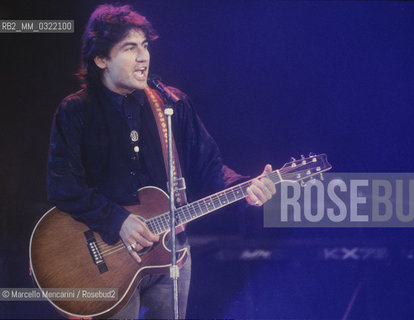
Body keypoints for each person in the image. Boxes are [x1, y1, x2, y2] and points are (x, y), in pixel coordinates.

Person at [46, 4, 276, 319]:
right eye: (130, 48)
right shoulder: (76, 110)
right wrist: (119, 221)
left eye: (145, 46)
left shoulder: (172, 104)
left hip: (171, 255)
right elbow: (62, 185)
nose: (143, 57)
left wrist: (246, 187)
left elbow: (209, 167)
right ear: (101, 59)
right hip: (107, 259)